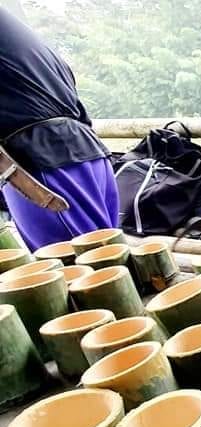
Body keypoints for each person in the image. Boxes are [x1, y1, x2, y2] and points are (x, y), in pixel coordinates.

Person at [0, 8, 119, 251]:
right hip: (87, 155)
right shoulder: (16, 31)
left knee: (75, 275)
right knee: (110, 267)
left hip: (40, 167)